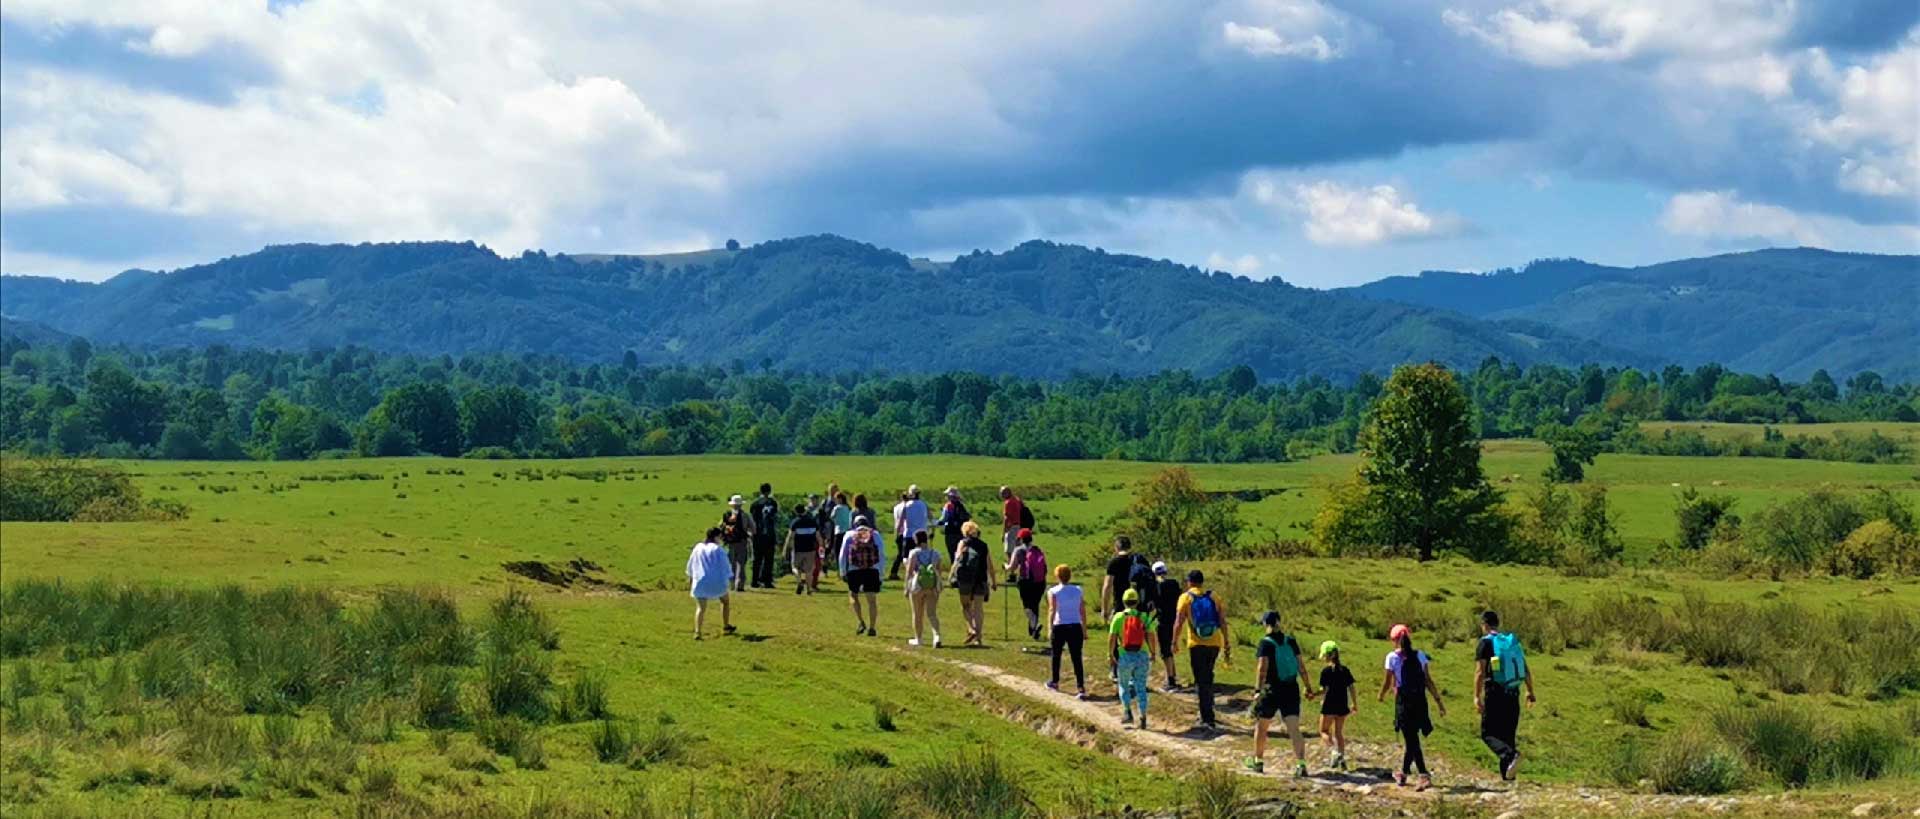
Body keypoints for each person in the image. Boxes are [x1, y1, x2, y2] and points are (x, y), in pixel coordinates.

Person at [1244, 611, 1317, 776]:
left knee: (1262, 727)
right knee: (1294, 728)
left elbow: (1262, 669)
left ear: (1265, 624)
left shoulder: (1265, 643)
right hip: (1291, 688)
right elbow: (1301, 667)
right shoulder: (1290, 641)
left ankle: (1258, 761)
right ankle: (1301, 764)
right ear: (1279, 622)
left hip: (1271, 690)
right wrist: (1308, 686)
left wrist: (1257, 690)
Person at [1378, 624, 1446, 791]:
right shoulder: (1420, 655)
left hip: (1404, 701)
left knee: (1411, 738)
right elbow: (1428, 680)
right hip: (1420, 700)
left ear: (1394, 640)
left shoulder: (1392, 658)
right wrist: (1438, 701)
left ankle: (1423, 774)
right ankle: (1403, 772)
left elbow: (1388, 681)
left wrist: (1381, 695)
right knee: (1412, 737)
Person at [1474, 610, 1535, 781]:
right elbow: (1524, 667)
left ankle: (1512, 756)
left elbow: (1479, 672)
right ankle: (1508, 778)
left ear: (1484, 625)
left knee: (1488, 733)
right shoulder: (1510, 643)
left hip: (1495, 693)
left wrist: (1476, 696)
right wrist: (1530, 690)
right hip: (1513, 692)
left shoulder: (1485, 643)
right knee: (1507, 735)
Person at [1172, 569, 1231, 732]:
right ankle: (1208, 709)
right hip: (1214, 643)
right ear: (1202, 582)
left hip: (1196, 644)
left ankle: (1207, 718)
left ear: (1189, 582)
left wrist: (1174, 642)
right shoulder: (1213, 596)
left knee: (1201, 680)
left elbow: (1178, 622)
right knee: (1208, 676)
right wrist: (1226, 641)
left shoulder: (1185, 598)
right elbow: (1222, 621)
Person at [1108, 588, 1157, 730]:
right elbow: (1151, 636)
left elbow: (1112, 638)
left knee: (1123, 684)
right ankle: (1143, 716)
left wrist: (1111, 654)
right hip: (1141, 656)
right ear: (1137, 602)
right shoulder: (1144, 617)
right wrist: (1153, 653)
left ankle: (1127, 712)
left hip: (1125, 656)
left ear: (1124, 602)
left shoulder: (1118, 617)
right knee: (1141, 686)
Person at [1045, 564, 1089, 700]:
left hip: (1060, 625)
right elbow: (1082, 610)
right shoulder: (1078, 590)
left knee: (1056, 655)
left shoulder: (1053, 591)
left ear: (1057, 576)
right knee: (1077, 657)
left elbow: (1052, 610)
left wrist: (1049, 627)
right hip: (1075, 625)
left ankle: (1055, 681)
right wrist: (1084, 628)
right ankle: (1080, 687)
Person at [950, 521, 995, 646]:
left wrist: (951, 575)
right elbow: (990, 565)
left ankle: (971, 629)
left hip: (965, 579)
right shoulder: (984, 545)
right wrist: (993, 581)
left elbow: (957, 559)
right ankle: (978, 638)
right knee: (978, 609)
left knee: (965, 606)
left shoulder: (963, 543)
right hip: (981, 579)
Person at [837, 523, 887, 636]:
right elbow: (881, 553)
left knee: (853, 595)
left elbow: (843, 555)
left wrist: (843, 571)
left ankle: (861, 621)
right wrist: (881, 572)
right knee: (872, 600)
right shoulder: (875, 534)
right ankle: (872, 627)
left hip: (854, 570)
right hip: (872, 570)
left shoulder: (849, 535)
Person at [686, 527, 735, 640]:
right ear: (716, 537)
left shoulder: (698, 548)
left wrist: (691, 577)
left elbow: (691, 563)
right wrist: (730, 578)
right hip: (716, 582)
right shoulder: (718, 549)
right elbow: (725, 565)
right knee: (725, 601)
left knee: (701, 608)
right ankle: (726, 625)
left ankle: (697, 632)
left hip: (700, 581)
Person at [1318, 641, 1357, 771]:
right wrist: (1354, 703)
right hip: (1342, 705)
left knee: (1323, 730)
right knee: (1339, 733)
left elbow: (1324, 690)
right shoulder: (1344, 670)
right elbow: (1351, 687)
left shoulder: (1326, 671)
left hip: (1329, 705)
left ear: (1327, 656)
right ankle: (1342, 757)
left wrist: (1313, 694)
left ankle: (1333, 751)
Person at [902, 531, 944, 648]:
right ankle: (937, 636)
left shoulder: (914, 553)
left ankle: (918, 639)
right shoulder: (936, 553)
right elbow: (939, 572)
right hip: (932, 586)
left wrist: (906, 587)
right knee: (932, 613)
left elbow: (909, 572)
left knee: (917, 613)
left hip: (918, 586)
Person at [1006, 528, 1048, 640]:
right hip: (1040, 582)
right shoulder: (1037, 549)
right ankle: (1034, 631)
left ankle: (1034, 624)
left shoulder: (1019, 550)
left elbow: (1012, 567)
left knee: (1027, 606)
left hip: (1025, 581)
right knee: (1035, 605)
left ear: (1020, 539)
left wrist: (1005, 567)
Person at [1151, 561, 1183, 691]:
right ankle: (1173, 675)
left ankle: (1170, 680)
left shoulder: (1156, 586)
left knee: (1165, 651)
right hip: (1174, 620)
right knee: (1170, 647)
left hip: (1163, 620)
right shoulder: (1174, 583)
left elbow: (1153, 603)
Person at [891, 485, 930, 581]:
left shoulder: (906, 506)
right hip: (922, 533)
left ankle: (910, 573)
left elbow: (900, 522)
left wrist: (897, 532)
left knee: (906, 557)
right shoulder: (924, 505)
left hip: (909, 534)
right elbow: (929, 517)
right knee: (922, 556)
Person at [720, 495, 755, 592]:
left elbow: (721, 527)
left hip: (730, 543)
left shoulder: (726, 515)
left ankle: (731, 584)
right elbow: (753, 529)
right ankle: (739, 585)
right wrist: (749, 534)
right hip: (742, 542)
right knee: (741, 564)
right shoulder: (745, 515)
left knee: (731, 564)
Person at [749, 483, 781, 589]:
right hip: (770, 534)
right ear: (769, 491)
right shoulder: (773, 503)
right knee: (768, 559)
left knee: (757, 559)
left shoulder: (755, 504)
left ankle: (754, 581)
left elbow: (752, 518)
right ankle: (767, 581)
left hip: (758, 534)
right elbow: (775, 517)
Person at [785, 502, 820, 595]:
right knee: (809, 570)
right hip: (810, 549)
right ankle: (808, 589)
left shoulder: (795, 522)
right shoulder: (812, 521)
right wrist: (821, 546)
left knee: (795, 567)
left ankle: (799, 581)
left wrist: (786, 548)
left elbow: (790, 536)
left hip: (798, 549)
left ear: (796, 512)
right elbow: (818, 536)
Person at [1101, 536, 1136, 619]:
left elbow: (1107, 586)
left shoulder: (1114, 562)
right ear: (1130, 547)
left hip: (1121, 605)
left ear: (1116, 548)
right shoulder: (1135, 560)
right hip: (1138, 606)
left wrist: (1105, 609)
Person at [934, 486, 971, 561]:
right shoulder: (962, 506)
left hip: (951, 533)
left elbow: (944, 519)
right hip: (961, 533)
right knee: (961, 554)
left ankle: (954, 570)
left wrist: (936, 523)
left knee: (952, 554)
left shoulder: (949, 505)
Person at [999, 486, 1027, 556]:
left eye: (1002, 493)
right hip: (1018, 526)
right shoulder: (1016, 500)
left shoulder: (1008, 502)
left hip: (1011, 527)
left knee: (1009, 550)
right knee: (1018, 547)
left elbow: (1006, 518)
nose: (1001, 495)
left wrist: (1004, 532)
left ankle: (1011, 564)